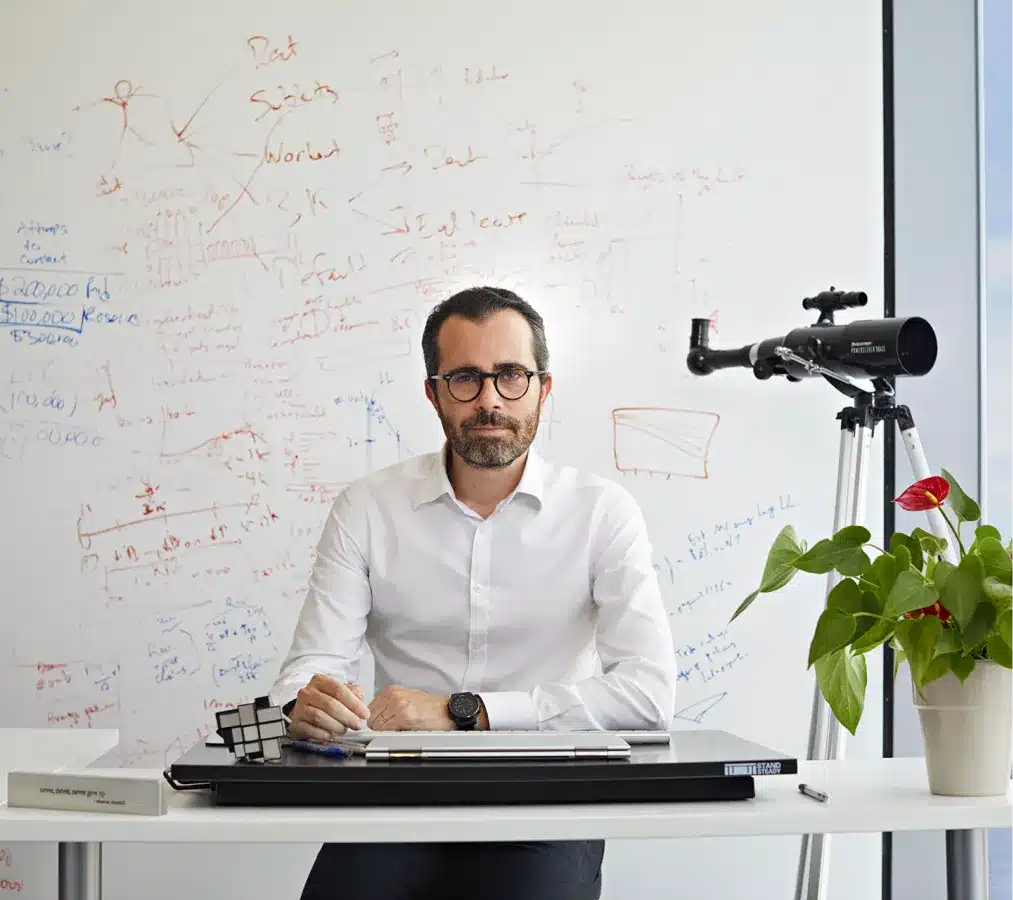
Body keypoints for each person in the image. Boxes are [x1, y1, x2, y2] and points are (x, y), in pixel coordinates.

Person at [270, 285, 679, 900]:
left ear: (544, 387)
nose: (489, 400)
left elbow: (648, 696)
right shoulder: (366, 509)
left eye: (510, 375)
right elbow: (308, 669)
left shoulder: (602, 513)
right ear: (433, 393)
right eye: (465, 378)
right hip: (394, 801)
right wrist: (305, 704)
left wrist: (466, 712)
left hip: (549, 803)